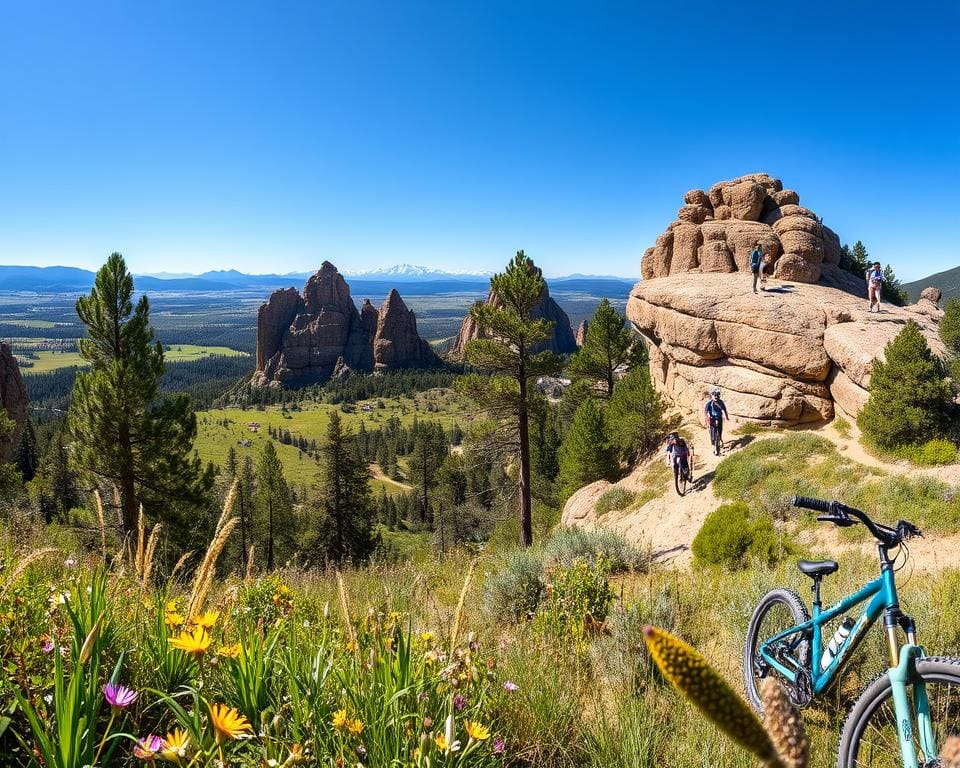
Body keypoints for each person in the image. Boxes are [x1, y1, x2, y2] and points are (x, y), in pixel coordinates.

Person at [703, 389, 730, 454]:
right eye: (714, 396)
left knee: (720, 431)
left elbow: (724, 409)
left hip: (719, 418)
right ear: (712, 396)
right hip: (712, 419)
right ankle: (713, 446)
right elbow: (706, 413)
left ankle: (719, 439)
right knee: (713, 433)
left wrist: (726, 417)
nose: (716, 397)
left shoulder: (721, 402)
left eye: (717, 396)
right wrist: (706, 421)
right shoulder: (709, 404)